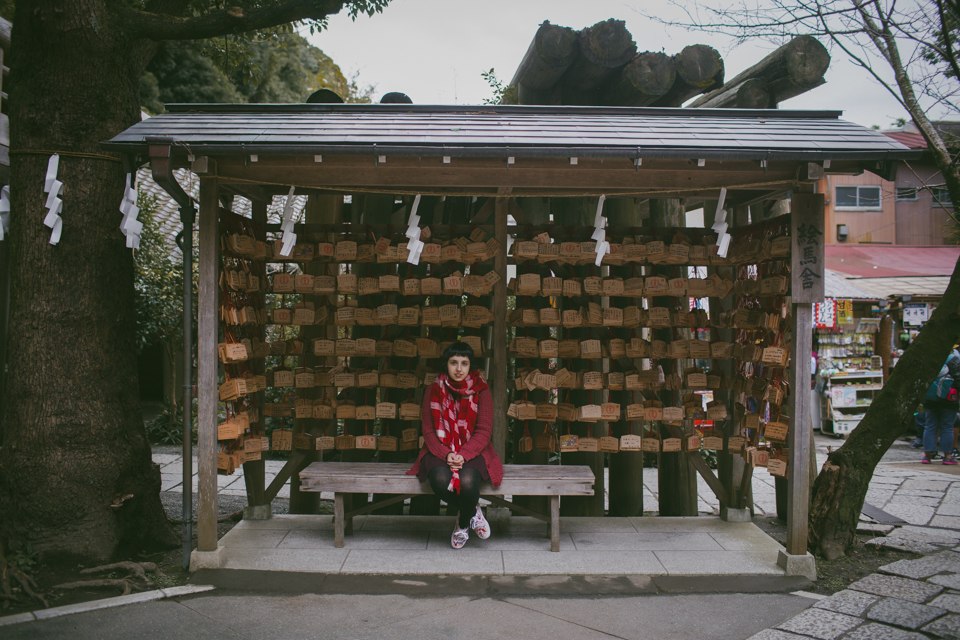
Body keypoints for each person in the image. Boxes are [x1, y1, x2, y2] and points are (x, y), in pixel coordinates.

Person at [406, 341, 502, 548]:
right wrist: (447, 453)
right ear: (446, 365)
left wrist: (464, 454)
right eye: (454, 362)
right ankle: (473, 511)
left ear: (471, 366)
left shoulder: (482, 391)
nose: (459, 369)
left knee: (468, 482)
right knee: (440, 479)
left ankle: (463, 523)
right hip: (438, 448)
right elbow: (428, 430)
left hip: (474, 449)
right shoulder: (433, 390)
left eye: (464, 363)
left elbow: (484, 430)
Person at [922, 347, 960, 465]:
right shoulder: (953, 360)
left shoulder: (929, 359)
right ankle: (947, 456)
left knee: (929, 426)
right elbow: (958, 380)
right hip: (948, 400)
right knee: (947, 426)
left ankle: (927, 455)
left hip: (930, 399)